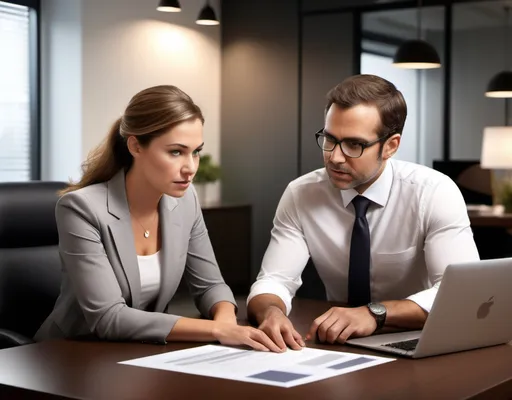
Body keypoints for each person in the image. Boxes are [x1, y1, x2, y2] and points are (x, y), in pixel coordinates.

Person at [35, 85, 280, 352]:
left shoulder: (185, 201)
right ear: (135, 146)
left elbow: (211, 286)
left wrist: (226, 321)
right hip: (69, 355)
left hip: (140, 353)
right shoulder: (81, 208)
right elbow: (108, 317)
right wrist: (217, 329)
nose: (190, 168)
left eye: (195, 151)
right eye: (176, 152)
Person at [247, 74, 480, 351]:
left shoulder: (433, 192)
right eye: (330, 139)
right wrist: (271, 313)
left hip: (420, 339)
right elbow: (274, 280)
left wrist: (375, 314)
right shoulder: (301, 194)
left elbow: (461, 295)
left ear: (391, 146)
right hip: (340, 342)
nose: (334, 157)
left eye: (354, 145)